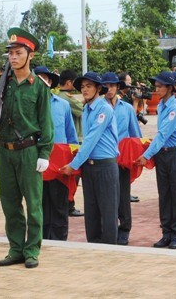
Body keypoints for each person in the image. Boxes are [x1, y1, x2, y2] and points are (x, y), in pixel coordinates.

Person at [0, 27, 53, 269]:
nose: (13, 57)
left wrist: (44, 153)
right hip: (5, 151)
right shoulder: (4, 83)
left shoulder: (39, 87)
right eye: (10, 53)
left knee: (33, 205)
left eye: (18, 52)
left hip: (28, 151)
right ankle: (16, 248)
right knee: (10, 203)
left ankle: (32, 249)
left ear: (30, 55)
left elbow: (46, 123)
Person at [58, 72, 120, 244]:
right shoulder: (86, 109)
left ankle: (109, 248)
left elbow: (91, 139)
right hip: (89, 166)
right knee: (91, 210)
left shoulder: (104, 109)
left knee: (108, 211)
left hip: (105, 166)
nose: (84, 90)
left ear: (98, 89)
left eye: (89, 86)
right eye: (83, 87)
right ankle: (93, 245)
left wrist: (73, 164)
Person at [135, 72, 176, 249]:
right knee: (164, 195)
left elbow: (163, 135)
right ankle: (166, 233)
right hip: (164, 155)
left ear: (169, 88)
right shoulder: (161, 105)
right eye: (156, 86)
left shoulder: (175, 108)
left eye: (160, 86)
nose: (156, 89)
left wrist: (146, 155)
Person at [34, 66, 78, 242]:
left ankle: (60, 241)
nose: (41, 81)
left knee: (60, 205)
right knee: (40, 205)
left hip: (59, 164)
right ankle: (42, 240)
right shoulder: (29, 107)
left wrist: (74, 162)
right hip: (38, 162)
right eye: (37, 78)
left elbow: (71, 135)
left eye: (44, 78)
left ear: (50, 82)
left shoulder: (63, 105)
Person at [101, 72, 142, 246]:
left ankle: (124, 229)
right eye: (106, 86)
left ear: (118, 87)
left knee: (123, 196)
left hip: (122, 159)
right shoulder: (97, 107)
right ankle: (108, 229)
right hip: (104, 158)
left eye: (112, 85)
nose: (109, 89)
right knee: (106, 197)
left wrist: (139, 155)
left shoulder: (126, 109)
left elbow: (135, 134)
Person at [55, 69, 85, 218]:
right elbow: (82, 110)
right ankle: (69, 205)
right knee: (72, 176)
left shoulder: (59, 97)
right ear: (69, 82)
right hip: (74, 141)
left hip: (66, 142)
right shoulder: (66, 98)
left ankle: (67, 205)